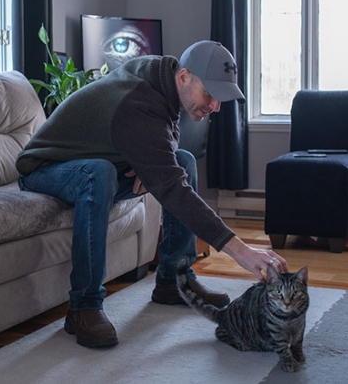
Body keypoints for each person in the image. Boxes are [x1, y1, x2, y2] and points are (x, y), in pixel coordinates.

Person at [16, 40, 288, 349]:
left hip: (92, 163)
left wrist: (147, 163)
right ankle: (83, 306)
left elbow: (164, 140)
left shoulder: (161, 78)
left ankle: (174, 281)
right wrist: (243, 251)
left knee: (182, 160)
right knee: (101, 172)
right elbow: (172, 187)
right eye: (211, 95)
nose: (215, 107)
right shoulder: (138, 101)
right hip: (45, 169)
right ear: (184, 78)